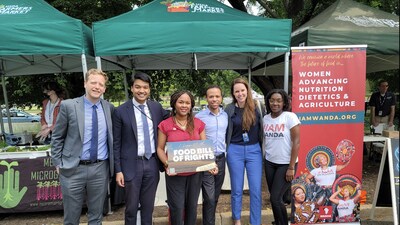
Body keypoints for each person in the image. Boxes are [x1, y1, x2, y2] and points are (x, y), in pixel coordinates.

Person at [51, 68, 114, 225]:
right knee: (71, 218)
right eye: (93, 82)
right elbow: (57, 136)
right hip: (73, 169)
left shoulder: (109, 108)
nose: (97, 87)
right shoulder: (68, 106)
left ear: (104, 88)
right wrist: (57, 163)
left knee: (96, 216)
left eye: (101, 84)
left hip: (100, 169)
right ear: (85, 83)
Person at [112, 72, 169, 225]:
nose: (141, 90)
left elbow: (172, 121)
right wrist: (118, 170)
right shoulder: (121, 111)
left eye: (145, 87)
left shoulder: (156, 107)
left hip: (152, 163)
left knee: (148, 207)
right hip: (131, 165)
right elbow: (116, 143)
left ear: (149, 90)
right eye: (137, 87)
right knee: (131, 208)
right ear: (131, 88)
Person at [157, 90, 212, 225]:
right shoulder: (165, 124)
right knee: (177, 208)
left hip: (195, 174)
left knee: (192, 208)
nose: (184, 105)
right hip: (175, 175)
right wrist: (167, 163)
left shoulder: (198, 124)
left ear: (191, 105)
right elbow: (159, 148)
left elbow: (204, 147)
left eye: (187, 103)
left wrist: (211, 164)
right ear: (174, 104)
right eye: (181, 102)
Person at [225, 78, 263, 225]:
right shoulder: (229, 109)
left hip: (254, 151)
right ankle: (237, 220)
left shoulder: (257, 106)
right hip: (235, 151)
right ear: (233, 93)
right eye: (237, 91)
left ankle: (256, 222)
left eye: (242, 90)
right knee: (236, 189)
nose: (240, 93)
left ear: (247, 90)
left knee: (255, 190)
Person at [263, 89, 300, 225]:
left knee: (275, 198)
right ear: (268, 102)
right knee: (274, 198)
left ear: (284, 102)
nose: (275, 103)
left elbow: (296, 142)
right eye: (272, 100)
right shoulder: (265, 119)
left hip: (286, 164)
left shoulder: (290, 117)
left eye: (279, 100)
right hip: (270, 163)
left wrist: (291, 167)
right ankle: (277, 222)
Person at [195, 85, 228, 225]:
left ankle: (209, 222)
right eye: (211, 96)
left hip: (221, 158)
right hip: (206, 159)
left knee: (214, 196)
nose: (214, 99)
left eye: (217, 96)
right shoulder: (198, 116)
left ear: (221, 97)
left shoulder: (225, 115)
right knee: (208, 196)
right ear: (206, 98)